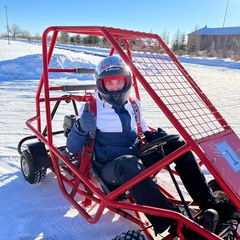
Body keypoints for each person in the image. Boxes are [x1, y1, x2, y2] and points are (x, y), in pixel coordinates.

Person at [67, 56, 236, 239]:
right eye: (110, 83)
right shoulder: (90, 108)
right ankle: (176, 224)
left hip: (135, 156)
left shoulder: (134, 104)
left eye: (119, 82)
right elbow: (71, 146)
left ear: (127, 82)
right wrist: (80, 127)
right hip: (108, 167)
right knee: (129, 164)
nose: (115, 87)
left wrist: (157, 137)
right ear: (101, 84)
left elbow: (143, 131)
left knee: (178, 146)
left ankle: (209, 203)